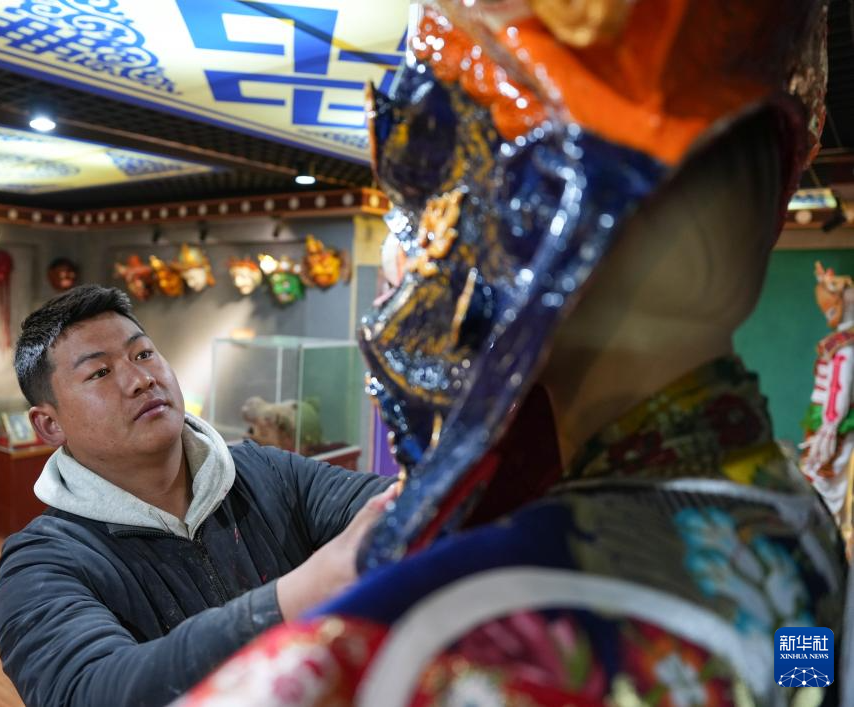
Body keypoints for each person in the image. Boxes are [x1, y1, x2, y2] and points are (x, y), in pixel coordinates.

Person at [176, 1, 846, 705]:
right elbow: (807, 685)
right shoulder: (795, 522)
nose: (429, 255)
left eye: (481, 193)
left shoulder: (400, 652)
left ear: (699, 252)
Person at [0, 285, 395, 707]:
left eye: (143, 354)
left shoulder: (267, 472)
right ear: (50, 424)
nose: (141, 379)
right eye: (100, 373)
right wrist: (289, 600)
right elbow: (89, 690)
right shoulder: (40, 565)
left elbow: (387, 504)